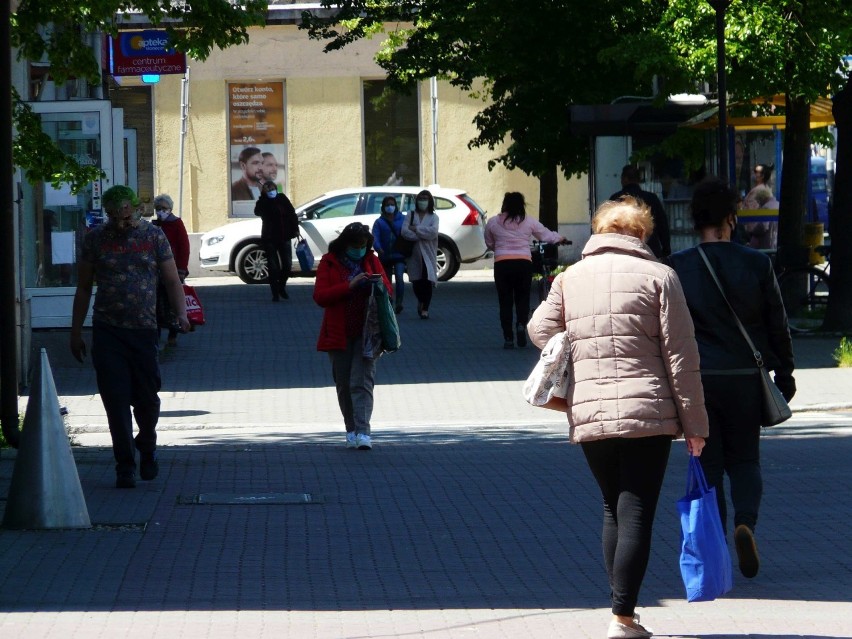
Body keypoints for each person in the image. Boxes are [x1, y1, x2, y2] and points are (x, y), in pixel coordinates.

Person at [528, 196, 708, 639]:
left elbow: (537, 329)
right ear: (640, 234)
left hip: (589, 412)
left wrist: (577, 337)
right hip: (648, 413)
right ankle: (622, 617)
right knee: (637, 511)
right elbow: (682, 357)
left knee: (613, 507)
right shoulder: (661, 277)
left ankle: (621, 612)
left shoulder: (569, 278)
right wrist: (696, 426)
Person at [667, 178, 795, 580]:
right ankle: (746, 523)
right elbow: (778, 322)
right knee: (745, 459)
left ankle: (719, 544)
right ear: (731, 218)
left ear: (694, 220)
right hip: (743, 378)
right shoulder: (757, 263)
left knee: (709, 465)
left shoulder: (676, 267)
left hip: (698, 381)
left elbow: (666, 329)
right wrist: (785, 371)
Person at [70, 185, 189, 489]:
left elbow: (172, 279)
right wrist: (75, 331)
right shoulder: (96, 239)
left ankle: (146, 445)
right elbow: (83, 287)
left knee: (147, 400)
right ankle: (125, 466)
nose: (122, 221)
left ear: (136, 209)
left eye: (127, 214)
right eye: (115, 215)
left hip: (144, 329)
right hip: (108, 329)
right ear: (108, 213)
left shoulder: (152, 236)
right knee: (116, 400)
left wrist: (182, 314)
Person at [313, 222, 392, 451]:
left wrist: (377, 286)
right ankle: (350, 430)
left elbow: (388, 289)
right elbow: (320, 296)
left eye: (364, 246)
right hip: (338, 334)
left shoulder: (371, 260)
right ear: (345, 244)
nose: (359, 250)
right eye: (355, 245)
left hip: (368, 332)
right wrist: (350, 285)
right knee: (344, 384)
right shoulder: (329, 262)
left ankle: (363, 432)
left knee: (363, 382)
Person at [484, 192, 566, 349]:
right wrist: (560, 238)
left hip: (502, 264)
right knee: (523, 298)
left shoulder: (493, 222)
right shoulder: (528, 222)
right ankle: (521, 324)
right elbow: (545, 234)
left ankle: (508, 337)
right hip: (523, 264)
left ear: (505, 204)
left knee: (505, 301)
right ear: (522, 205)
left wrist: (500, 249)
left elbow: (489, 242)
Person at [152, 193, 190, 348]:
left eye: (163, 208)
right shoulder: (154, 225)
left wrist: (181, 269)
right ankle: (157, 332)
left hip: (173, 269)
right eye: (158, 208)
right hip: (156, 271)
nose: (160, 211)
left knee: (172, 302)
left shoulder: (176, 223)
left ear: (170, 209)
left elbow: (184, 247)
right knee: (157, 303)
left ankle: (173, 333)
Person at [609, 165, 672, 258]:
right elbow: (662, 225)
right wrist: (666, 248)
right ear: (638, 180)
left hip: (623, 250)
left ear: (624, 179)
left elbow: (610, 227)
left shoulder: (616, 199)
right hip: (650, 249)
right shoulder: (651, 198)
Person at [255, 180, 300, 301]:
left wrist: (295, 229)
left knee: (287, 265)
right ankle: (275, 293)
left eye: (272, 189)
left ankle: (281, 286)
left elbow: (292, 213)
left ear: (276, 189)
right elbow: (257, 212)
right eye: (268, 190)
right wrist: (263, 196)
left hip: (284, 236)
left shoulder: (282, 198)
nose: (271, 191)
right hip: (270, 238)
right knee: (273, 267)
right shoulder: (263, 201)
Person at [400, 189, 439, 319]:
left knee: (428, 280)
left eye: (425, 199)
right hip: (414, 254)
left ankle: (425, 309)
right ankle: (420, 301)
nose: (423, 201)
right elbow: (404, 232)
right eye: (421, 199)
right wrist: (421, 235)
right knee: (416, 281)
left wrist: (416, 229)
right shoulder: (410, 215)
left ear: (430, 201)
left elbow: (433, 233)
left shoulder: (434, 217)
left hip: (428, 253)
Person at [371, 196, 407, 314]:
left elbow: (408, 234)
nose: (390, 207)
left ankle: (399, 302)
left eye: (392, 204)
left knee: (399, 278)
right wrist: (378, 248)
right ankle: (389, 302)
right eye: (387, 205)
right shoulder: (379, 222)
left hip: (399, 255)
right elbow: (375, 237)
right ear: (383, 207)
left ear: (395, 206)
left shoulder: (402, 219)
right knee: (386, 281)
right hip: (385, 256)